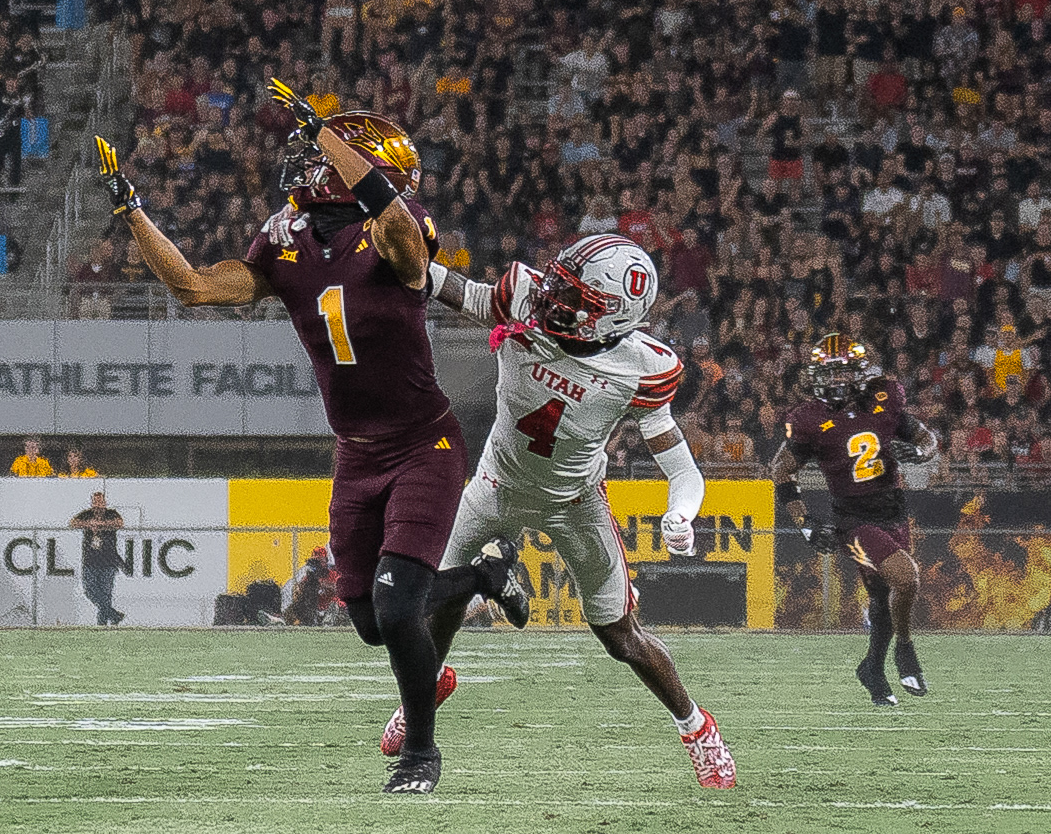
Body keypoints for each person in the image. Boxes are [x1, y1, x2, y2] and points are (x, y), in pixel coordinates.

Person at [95, 79, 469, 794]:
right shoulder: (285, 235)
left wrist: (330, 132)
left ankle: (421, 754)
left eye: (320, 153)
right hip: (356, 452)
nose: (305, 164)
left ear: (359, 164)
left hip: (424, 442)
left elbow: (402, 244)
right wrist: (131, 211)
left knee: (395, 606)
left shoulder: (402, 223)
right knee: (368, 620)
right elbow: (197, 286)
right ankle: (484, 579)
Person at [410, 235, 737, 789]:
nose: (553, 297)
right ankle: (425, 693)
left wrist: (682, 513)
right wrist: (388, 248)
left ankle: (697, 728)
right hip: (496, 483)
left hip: (575, 501)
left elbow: (683, 471)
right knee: (438, 594)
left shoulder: (642, 367)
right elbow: (441, 283)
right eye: (559, 280)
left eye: (574, 296)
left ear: (613, 318)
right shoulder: (521, 296)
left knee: (620, 635)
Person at [769, 334, 939, 706]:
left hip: (893, 509)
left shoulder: (884, 398)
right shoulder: (809, 418)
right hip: (853, 521)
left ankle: (872, 671)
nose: (832, 381)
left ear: (858, 373)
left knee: (882, 600)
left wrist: (921, 453)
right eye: (826, 374)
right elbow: (782, 470)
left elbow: (926, 436)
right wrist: (806, 524)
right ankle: (906, 651)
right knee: (906, 578)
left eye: (840, 372)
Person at [69, 490, 126, 625]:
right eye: (95, 502)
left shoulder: (111, 514)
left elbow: (119, 523)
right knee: (89, 590)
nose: (98, 505)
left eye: (100, 502)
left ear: (105, 503)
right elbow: (73, 523)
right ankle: (114, 614)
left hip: (108, 561)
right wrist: (89, 524)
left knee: (106, 595)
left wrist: (101, 525)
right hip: (90, 561)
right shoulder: (87, 515)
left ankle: (102, 624)